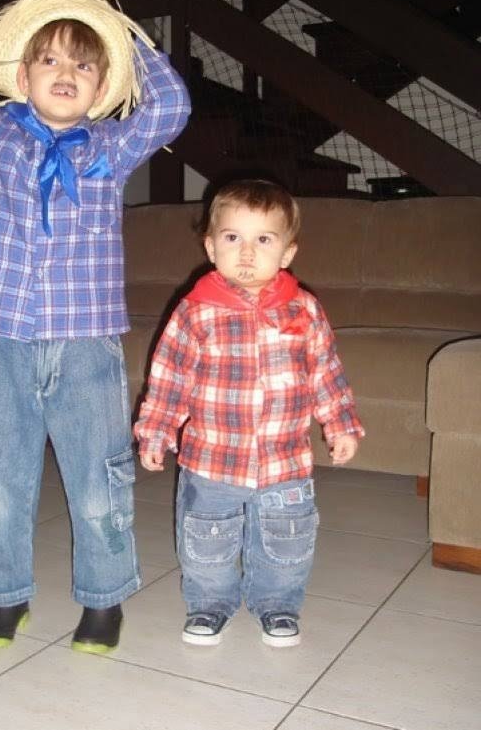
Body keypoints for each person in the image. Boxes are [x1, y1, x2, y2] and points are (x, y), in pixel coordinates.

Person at [0, 0, 191, 653]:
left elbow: (172, 107)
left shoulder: (111, 147)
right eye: (50, 60)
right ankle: (6, 595)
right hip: (4, 338)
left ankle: (103, 599)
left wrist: (130, 42)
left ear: (102, 87)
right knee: (1, 478)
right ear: (23, 75)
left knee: (98, 479)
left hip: (87, 342)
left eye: (84, 66)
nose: (66, 73)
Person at [134, 179, 364, 648]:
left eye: (263, 239)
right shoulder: (194, 313)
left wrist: (340, 424)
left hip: (285, 460)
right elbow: (169, 378)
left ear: (287, 253)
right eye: (232, 237)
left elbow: (326, 372)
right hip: (211, 459)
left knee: (285, 539)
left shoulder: (304, 310)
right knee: (209, 540)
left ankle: (277, 603)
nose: (245, 252)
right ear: (210, 247)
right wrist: (155, 431)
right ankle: (209, 603)